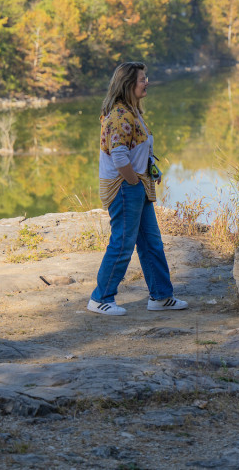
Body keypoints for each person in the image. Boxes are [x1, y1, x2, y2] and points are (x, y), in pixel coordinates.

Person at [87, 61, 187, 316]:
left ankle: (161, 296)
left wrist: (151, 167)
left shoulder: (133, 112)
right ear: (129, 84)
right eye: (143, 79)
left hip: (137, 186)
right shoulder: (119, 116)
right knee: (122, 243)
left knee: (151, 242)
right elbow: (119, 158)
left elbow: (137, 150)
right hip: (125, 188)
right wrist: (133, 181)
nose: (147, 82)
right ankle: (100, 298)